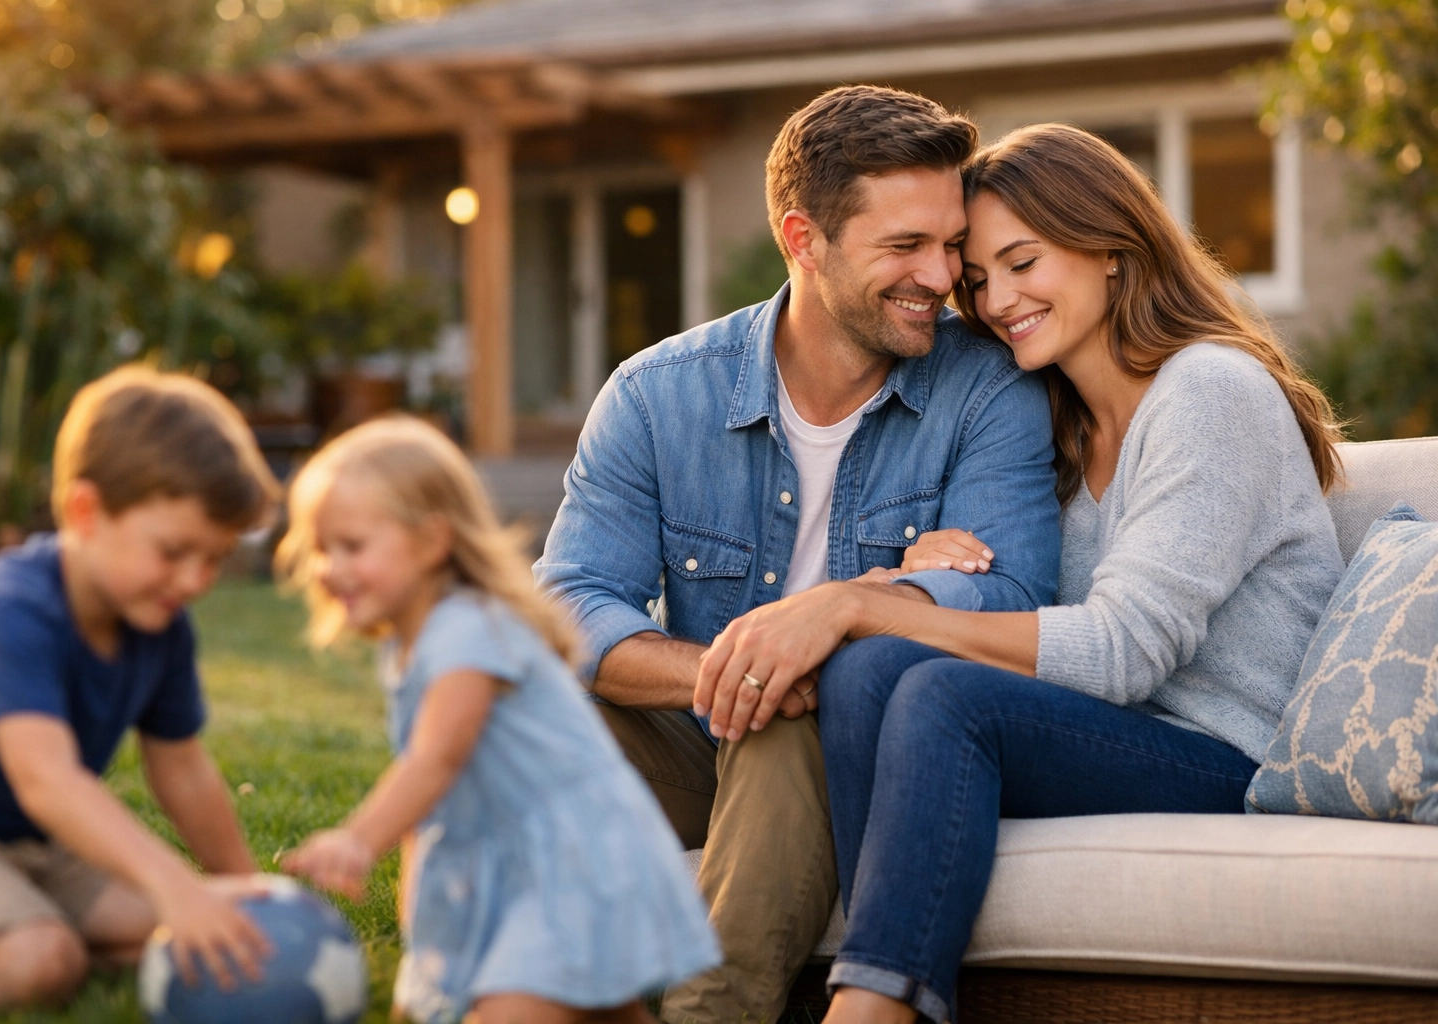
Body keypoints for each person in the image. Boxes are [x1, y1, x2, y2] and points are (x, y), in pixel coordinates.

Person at [694, 123, 1348, 1024]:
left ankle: (869, 1012)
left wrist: (859, 605)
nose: (997, 300)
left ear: (1110, 248)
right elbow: (1008, 609)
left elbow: (1121, 650)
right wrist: (923, 574)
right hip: (1110, 737)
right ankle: (866, 968)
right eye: (976, 279)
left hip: (1232, 755)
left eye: (1023, 262)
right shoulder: (1062, 429)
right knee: (871, 669)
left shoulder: (1210, 391)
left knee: (942, 695)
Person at [534, 85, 1063, 1023]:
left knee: (786, 719)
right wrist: (738, 667)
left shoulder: (986, 391)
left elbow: (1016, 593)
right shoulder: (657, 396)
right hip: (700, 741)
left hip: (850, 754)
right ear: (803, 239)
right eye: (905, 246)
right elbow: (569, 603)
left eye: (951, 244)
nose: (943, 277)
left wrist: (865, 609)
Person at [277, 417, 719, 1024]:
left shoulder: (466, 632)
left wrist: (358, 840)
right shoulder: (411, 642)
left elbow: (437, 760)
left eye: (352, 546)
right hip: (526, 858)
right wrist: (426, 922)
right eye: (321, 549)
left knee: (515, 1006)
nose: (330, 568)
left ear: (432, 541)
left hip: (565, 865)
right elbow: (435, 789)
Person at [0, 366, 280, 1011]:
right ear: (87, 512)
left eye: (214, 559)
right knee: (46, 959)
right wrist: (173, 885)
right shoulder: (5, 611)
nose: (194, 581)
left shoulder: (159, 622)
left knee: (189, 924)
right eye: (173, 552)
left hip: (30, 840)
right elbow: (46, 781)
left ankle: (8, 918)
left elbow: (184, 771)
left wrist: (251, 896)